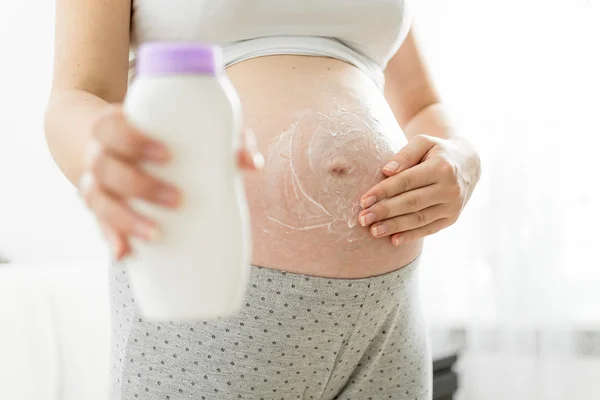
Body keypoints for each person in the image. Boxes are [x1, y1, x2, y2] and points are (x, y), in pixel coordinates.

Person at [44, 0, 481, 399]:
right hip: (208, 288)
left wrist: (461, 157)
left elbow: (422, 103)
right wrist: (100, 152)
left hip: (388, 306)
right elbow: (77, 96)